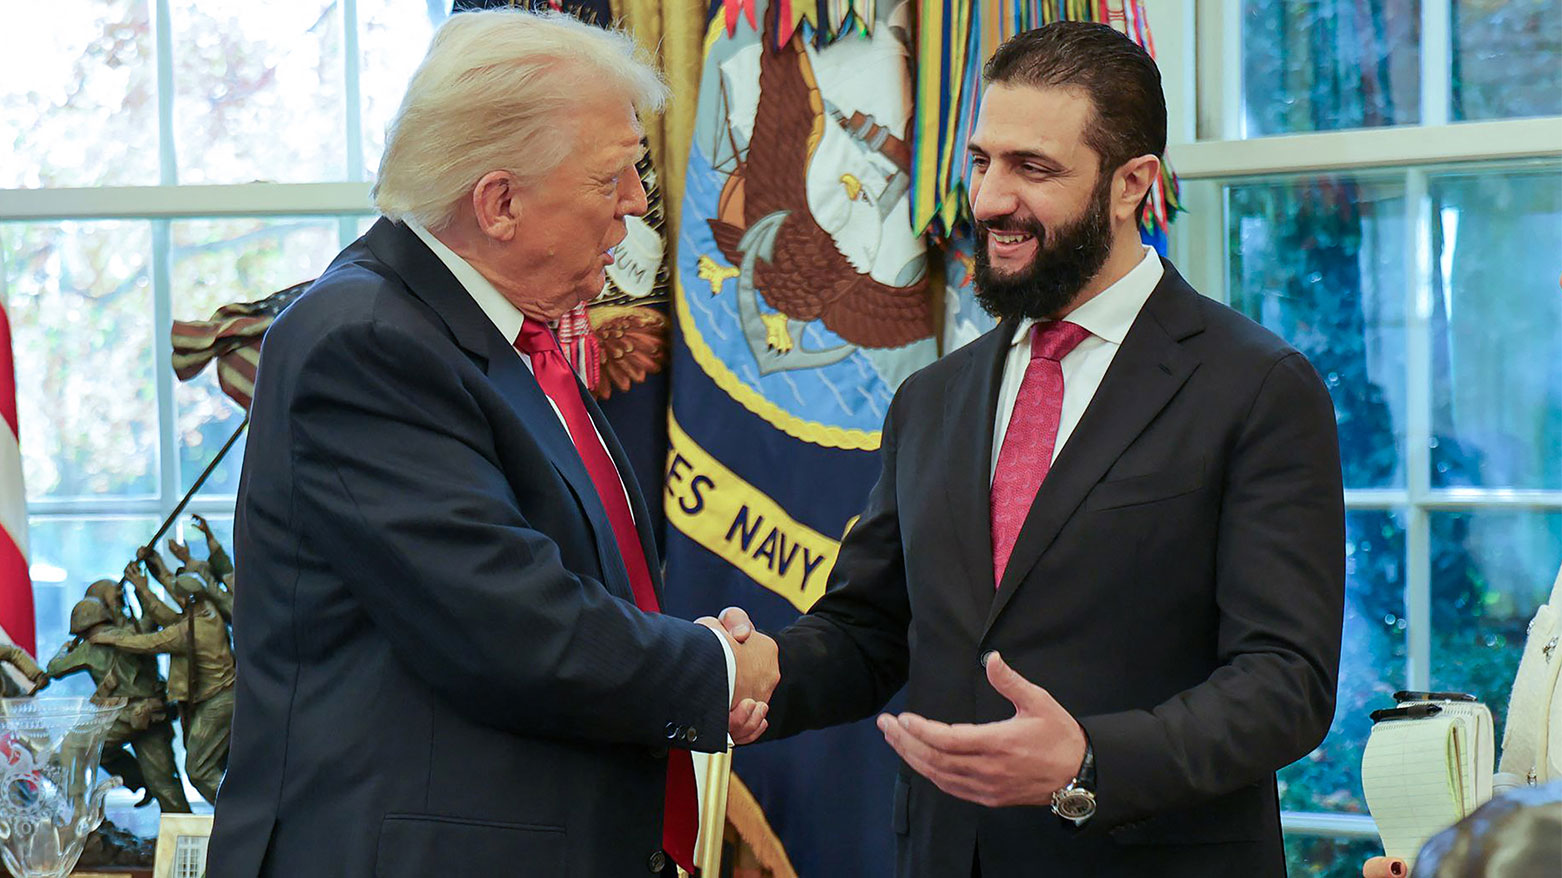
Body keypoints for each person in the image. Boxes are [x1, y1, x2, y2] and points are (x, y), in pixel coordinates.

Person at [720, 21, 1345, 878]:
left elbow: (1286, 683)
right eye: (981, 161)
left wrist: (1087, 758)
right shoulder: (930, 401)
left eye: (1033, 169)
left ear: (1133, 185)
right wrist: (763, 670)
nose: (987, 200)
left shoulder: (1258, 386)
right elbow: (872, 631)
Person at [203, 9, 775, 878]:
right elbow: (510, 628)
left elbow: (568, 584)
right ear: (500, 202)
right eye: (614, 174)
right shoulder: (362, 342)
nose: (637, 201)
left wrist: (689, 650)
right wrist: (713, 669)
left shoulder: (497, 337)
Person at [92, 572, 236, 805]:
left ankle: (239, 814)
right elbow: (165, 615)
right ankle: (240, 815)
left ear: (184, 599)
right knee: (208, 765)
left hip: (215, 703)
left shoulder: (189, 630)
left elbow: (149, 642)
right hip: (216, 700)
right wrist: (150, 575)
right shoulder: (207, 610)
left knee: (199, 770)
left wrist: (112, 638)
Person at [46, 595, 191, 813]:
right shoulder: (134, 633)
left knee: (78, 744)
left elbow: (54, 669)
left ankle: (77, 815)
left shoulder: (88, 649)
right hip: (154, 714)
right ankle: (183, 831)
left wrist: (66, 649)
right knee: (163, 782)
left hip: (122, 717)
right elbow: (151, 619)